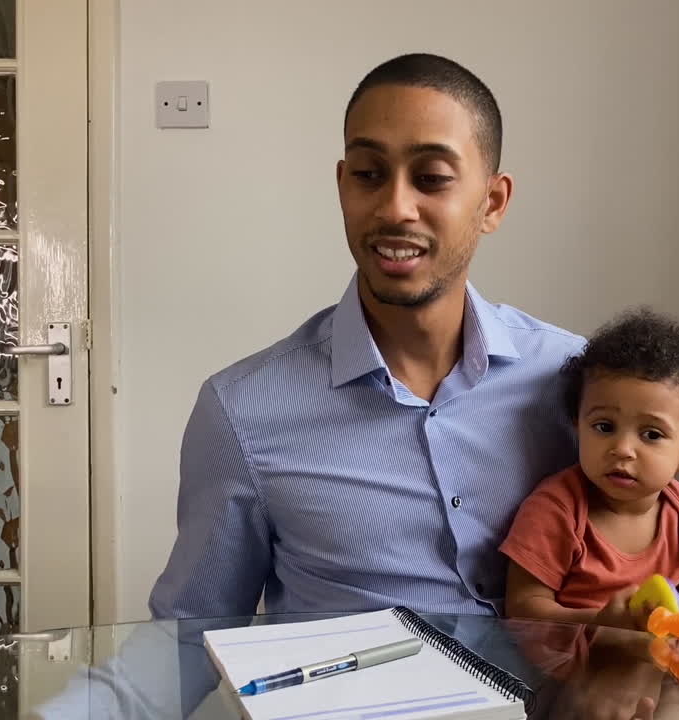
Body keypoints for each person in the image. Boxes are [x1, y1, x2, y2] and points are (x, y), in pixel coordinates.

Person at [149, 52, 584, 620]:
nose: (395, 208)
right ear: (341, 185)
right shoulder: (241, 410)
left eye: (431, 179)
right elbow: (188, 642)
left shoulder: (575, 381)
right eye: (368, 174)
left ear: (492, 203)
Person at [500, 309, 679, 629]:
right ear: (578, 426)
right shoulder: (557, 509)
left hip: (664, 664)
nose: (623, 449)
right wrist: (602, 624)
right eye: (604, 426)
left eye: (651, 435)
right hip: (577, 667)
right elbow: (522, 609)